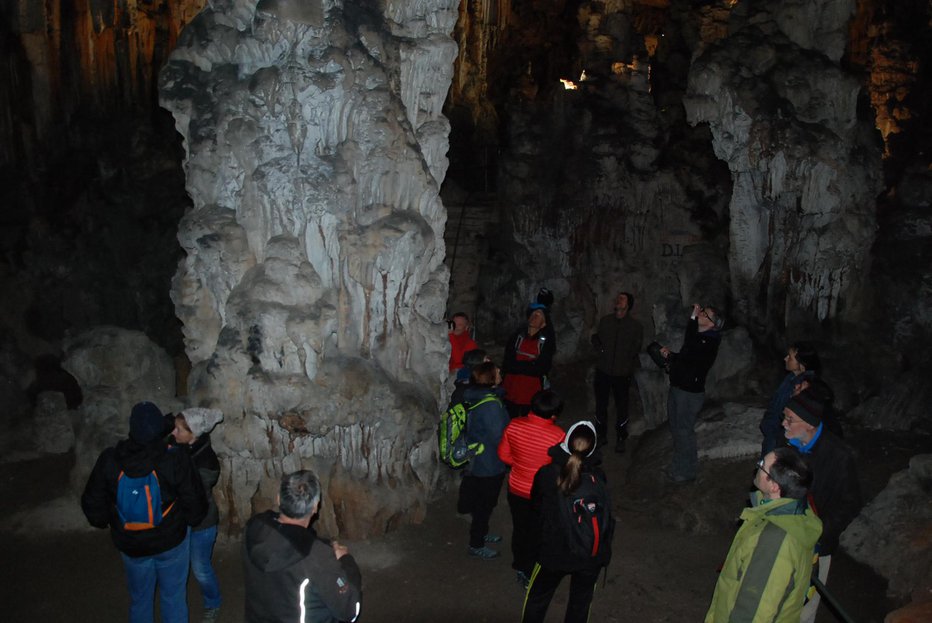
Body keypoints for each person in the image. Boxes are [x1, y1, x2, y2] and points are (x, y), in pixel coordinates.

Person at [81, 401, 207, 623]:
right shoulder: (174, 457)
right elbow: (194, 500)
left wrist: (109, 522)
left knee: (140, 598)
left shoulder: (110, 459)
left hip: (131, 542)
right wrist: (189, 521)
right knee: (173, 596)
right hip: (170, 540)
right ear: (159, 429)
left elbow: (92, 503)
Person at [705, 448, 822, 623]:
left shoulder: (774, 540)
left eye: (762, 466)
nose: (757, 467)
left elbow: (755, 609)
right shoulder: (796, 515)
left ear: (774, 486)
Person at [782, 389, 862, 623]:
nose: (783, 423)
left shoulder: (838, 457)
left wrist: (820, 532)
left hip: (816, 545)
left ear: (809, 424)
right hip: (785, 537)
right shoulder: (787, 445)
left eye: (790, 419)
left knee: (805, 607)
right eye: (784, 417)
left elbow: (850, 503)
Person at [522, 421, 613, 623]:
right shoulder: (598, 477)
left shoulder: (547, 475)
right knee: (580, 603)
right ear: (592, 449)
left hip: (553, 554)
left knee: (538, 599)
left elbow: (536, 511)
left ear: (565, 442)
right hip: (590, 554)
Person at [243, 470, 362, 623]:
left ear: (279, 499)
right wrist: (346, 561)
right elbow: (350, 611)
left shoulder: (254, 526)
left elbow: (290, 536)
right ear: (315, 506)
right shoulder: (316, 557)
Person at [498, 389, 567, 586]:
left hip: (517, 488)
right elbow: (560, 467)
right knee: (539, 530)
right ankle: (535, 567)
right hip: (542, 492)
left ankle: (521, 566)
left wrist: (521, 464)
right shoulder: (558, 435)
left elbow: (503, 456)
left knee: (520, 528)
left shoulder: (514, 425)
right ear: (554, 415)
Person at [659, 303, 722, 483]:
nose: (701, 314)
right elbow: (687, 354)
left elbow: (692, 352)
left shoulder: (710, 341)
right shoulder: (699, 337)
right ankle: (679, 467)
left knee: (684, 431)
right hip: (679, 388)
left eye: (705, 314)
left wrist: (693, 318)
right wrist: (670, 355)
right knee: (677, 428)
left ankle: (687, 472)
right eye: (702, 312)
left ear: (712, 324)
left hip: (689, 393)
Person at [171, 408, 224, 622]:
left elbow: (193, 495)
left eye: (179, 430)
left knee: (200, 567)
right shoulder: (182, 448)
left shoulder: (206, 461)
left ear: (193, 434)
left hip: (202, 522)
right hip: (182, 518)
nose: (173, 433)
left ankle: (213, 602)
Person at [456, 361, 510, 559]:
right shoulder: (491, 406)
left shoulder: (474, 396)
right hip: (489, 462)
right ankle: (476, 543)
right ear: (491, 379)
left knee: (479, 499)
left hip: (477, 457)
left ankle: (481, 532)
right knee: (485, 504)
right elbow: (498, 436)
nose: (500, 374)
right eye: (497, 372)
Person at [591, 291, 644, 453]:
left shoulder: (635, 326)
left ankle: (621, 437)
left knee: (622, 406)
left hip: (622, 373)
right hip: (604, 370)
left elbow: (636, 347)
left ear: (628, 305)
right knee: (601, 405)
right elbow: (597, 338)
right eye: (617, 298)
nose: (617, 301)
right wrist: (599, 348)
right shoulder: (606, 321)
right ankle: (601, 435)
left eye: (622, 299)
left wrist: (627, 362)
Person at [759, 341, 819, 456]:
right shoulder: (790, 378)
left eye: (790, 357)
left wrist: (774, 430)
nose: (785, 359)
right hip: (774, 431)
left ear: (801, 364)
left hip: (782, 436)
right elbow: (775, 403)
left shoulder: (804, 386)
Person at [502, 303, 556, 419]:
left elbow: (541, 368)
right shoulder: (516, 337)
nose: (534, 316)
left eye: (539, 315)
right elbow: (507, 363)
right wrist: (530, 365)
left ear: (544, 323)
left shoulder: (546, 343)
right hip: (511, 390)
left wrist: (517, 366)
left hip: (531, 393)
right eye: (533, 313)